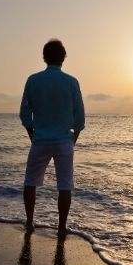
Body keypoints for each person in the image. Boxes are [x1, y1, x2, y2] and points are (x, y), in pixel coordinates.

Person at [20, 39, 85, 236]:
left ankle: (30, 222)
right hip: (64, 141)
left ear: (44, 57)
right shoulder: (71, 82)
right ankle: (62, 227)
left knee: (30, 182)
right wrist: (73, 139)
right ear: (63, 57)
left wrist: (32, 133)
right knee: (65, 186)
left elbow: (25, 112)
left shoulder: (33, 80)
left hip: (40, 140)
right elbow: (79, 116)